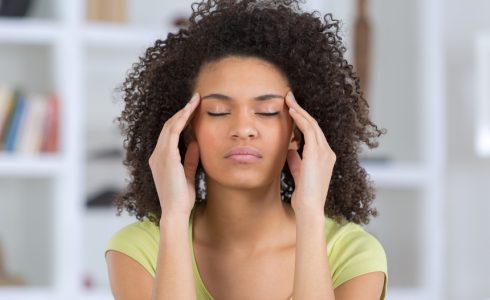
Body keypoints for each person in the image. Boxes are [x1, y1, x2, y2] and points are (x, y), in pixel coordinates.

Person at [105, 0, 388, 299]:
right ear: (187, 129)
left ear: (297, 131)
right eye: (217, 111)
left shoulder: (353, 255)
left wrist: (310, 217)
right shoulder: (139, 250)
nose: (242, 128)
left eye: (266, 111)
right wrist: (173, 219)